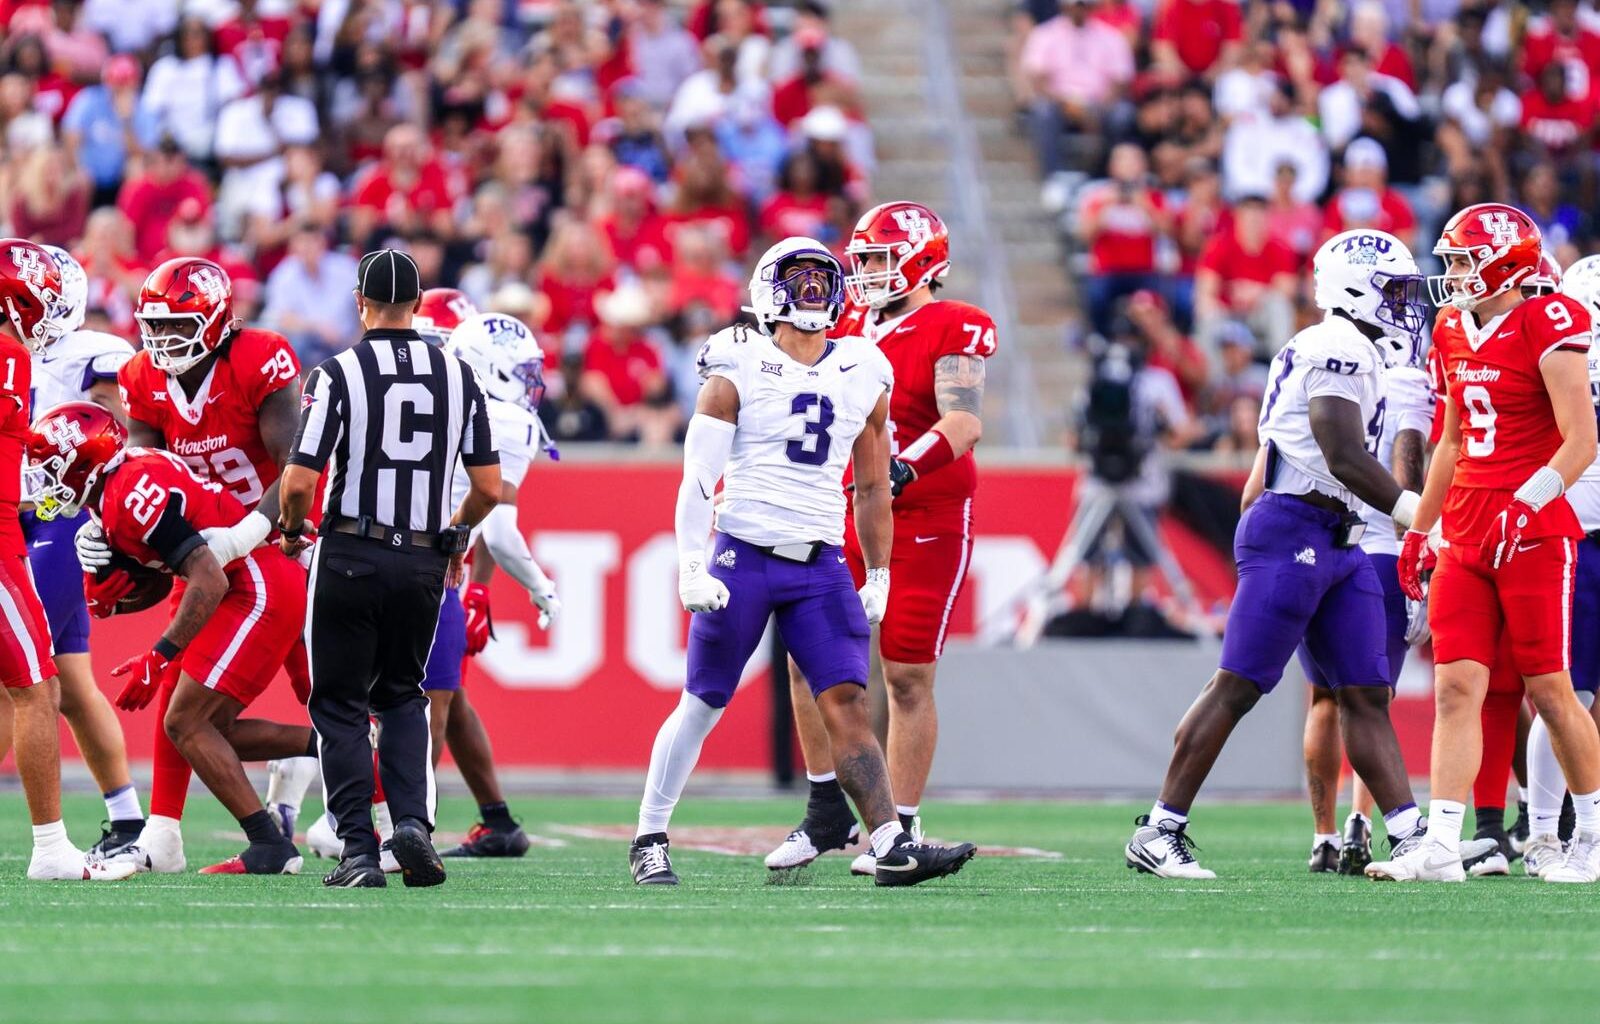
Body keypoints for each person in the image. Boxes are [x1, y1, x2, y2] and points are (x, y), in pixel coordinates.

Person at [630, 236, 976, 887]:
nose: (814, 290)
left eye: (823, 278)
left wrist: (879, 570)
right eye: (801, 278)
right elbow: (698, 478)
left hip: (819, 563)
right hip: (745, 556)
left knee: (847, 699)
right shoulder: (737, 358)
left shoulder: (862, 365)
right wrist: (690, 564)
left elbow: (873, 486)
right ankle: (649, 836)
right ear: (770, 288)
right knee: (704, 700)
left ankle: (889, 842)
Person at [1126, 230, 1431, 879]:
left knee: (1365, 692)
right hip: (1297, 526)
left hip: (1337, 535)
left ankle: (1411, 837)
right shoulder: (1336, 344)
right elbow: (1343, 453)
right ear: (1356, 289)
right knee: (1240, 683)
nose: (1404, 303)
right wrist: (1418, 517)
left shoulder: (1362, 351)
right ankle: (1159, 829)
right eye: (1392, 290)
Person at [764, 203, 997, 876]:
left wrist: (904, 466)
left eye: (875, 259)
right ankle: (824, 813)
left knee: (905, 676)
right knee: (808, 662)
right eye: (861, 260)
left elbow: (965, 423)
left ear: (921, 260)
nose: (864, 273)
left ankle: (904, 825)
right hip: (848, 509)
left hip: (925, 512)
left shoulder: (954, 325)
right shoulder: (847, 327)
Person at [1371, 205, 1600, 883]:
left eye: (1466, 259)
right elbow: (1450, 441)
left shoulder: (1550, 320)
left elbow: (1580, 441)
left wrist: (1527, 504)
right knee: (1455, 686)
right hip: (1467, 528)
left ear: (1504, 261)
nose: (1454, 273)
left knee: (1552, 689)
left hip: (1533, 532)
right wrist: (1420, 529)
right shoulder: (1449, 326)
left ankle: (1589, 835)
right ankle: (1443, 842)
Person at [73, 256, 306, 873]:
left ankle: (386, 822)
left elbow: (297, 465)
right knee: (187, 704)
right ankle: (163, 831)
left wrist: (249, 533)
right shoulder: (143, 377)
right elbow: (145, 474)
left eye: (178, 325)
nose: (162, 340)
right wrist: (112, 533)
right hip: (205, 548)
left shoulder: (259, 357)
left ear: (216, 321)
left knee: (321, 689)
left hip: (287, 536)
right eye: (155, 325)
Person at [279, 249, 501, 890]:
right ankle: (413, 825)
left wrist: (294, 532)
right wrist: (455, 533)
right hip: (425, 559)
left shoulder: (338, 373)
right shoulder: (460, 376)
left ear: (360, 302)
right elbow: (489, 484)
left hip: (352, 549)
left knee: (341, 705)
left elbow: (298, 481)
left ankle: (357, 849)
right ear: (420, 303)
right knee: (403, 695)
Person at [27, 403, 313, 876]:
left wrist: (159, 656)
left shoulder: (129, 494)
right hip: (243, 580)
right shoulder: (116, 489)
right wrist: (122, 593)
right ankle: (337, 747)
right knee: (204, 730)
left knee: (184, 722)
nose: (42, 482)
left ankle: (270, 843)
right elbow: (173, 570)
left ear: (83, 462)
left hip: (253, 584)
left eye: (50, 467)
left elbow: (207, 578)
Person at [0, 239, 133, 882]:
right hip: (28, 522)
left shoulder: (84, 352)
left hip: (52, 518)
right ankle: (110, 827)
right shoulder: (19, 355)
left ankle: (121, 821)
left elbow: (125, 420)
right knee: (56, 685)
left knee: (36, 684)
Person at [1298, 333, 1433, 874]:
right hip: (1378, 550)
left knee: (1324, 700)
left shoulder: (1317, 360)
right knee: (1369, 699)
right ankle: (1361, 822)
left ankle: (1323, 835)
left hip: (1321, 539)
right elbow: (1407, 474)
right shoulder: (1408, 382)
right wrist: (1420, 547)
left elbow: (1260, 480)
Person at [1513, 252, 1600, 876]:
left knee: (1565, 694)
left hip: (1578, 533)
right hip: (1578, 537)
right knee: (1564, 692)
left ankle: (1553, 832)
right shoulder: (1559, 356)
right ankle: (1546, 833)